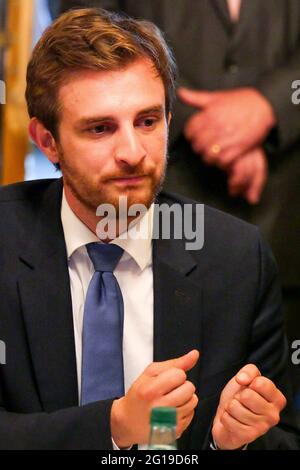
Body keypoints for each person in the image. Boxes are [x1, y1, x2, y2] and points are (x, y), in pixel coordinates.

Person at [0, 8, 299, 450]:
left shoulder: (236, 260)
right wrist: (113, 425)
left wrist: (231, 444)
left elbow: (283, 438)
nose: (132, 152)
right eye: (100, 129)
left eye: (147, 121)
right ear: (47, 142)